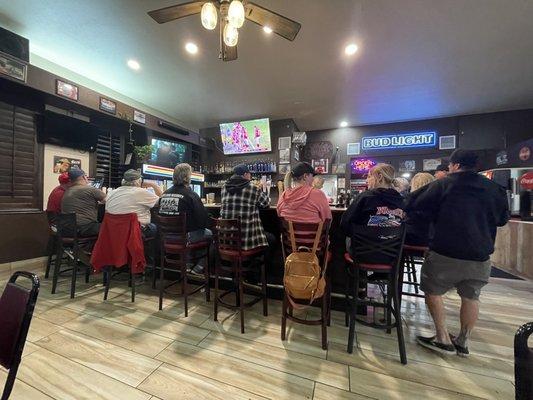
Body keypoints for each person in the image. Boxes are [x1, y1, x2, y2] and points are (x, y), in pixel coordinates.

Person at [405, 149, 509, 357]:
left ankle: (442, 338)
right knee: (471, 296)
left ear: (455, 165)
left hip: (446, 250)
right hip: (479, 254)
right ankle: (462, 340)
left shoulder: (443, 184)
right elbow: (502, 220)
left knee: (433, 291)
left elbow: (411, 203)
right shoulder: (494, 189)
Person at [159, 163, 211, 273]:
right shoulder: (191, 195)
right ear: (187, 177)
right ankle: (198, 268)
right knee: (211, 234)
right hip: (185, 238)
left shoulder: (164, 195)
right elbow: (202, 220)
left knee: (189, 231)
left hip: (166, 237)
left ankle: (187, 264)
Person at [221, 163, 274, 250]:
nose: (251, 177)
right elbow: (266, 203)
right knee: (271, 239)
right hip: (246, 239)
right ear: (245, 174)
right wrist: (261, 190)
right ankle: (260, 262)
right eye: (250, 174)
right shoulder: (253, 188)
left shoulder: (224, 188)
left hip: (227, 238)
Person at [341, 163, 404, 233]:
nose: (366, 180)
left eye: (369, 176)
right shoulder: (402, 200)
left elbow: (345, 223)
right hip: (393, 243)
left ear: (379, 177)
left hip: (364, 243)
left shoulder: (365, 197)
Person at [105, 169, 162, 239]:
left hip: (113, 232)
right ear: (139, 181)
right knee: (157, 227)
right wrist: (154, 185)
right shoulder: (140, 192)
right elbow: (162, 202)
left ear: (123, 181)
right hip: (134, 232)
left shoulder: (111, 193)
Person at [61, 167, 106, 237]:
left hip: (67, 229)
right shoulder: (90, 189)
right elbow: (108, 201)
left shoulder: (67, 191)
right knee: (109, 227)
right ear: (84, 177)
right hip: (84, 228)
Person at [404, 172, 435, 246]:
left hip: (415, 241)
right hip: (434, 242)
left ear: (414, 185)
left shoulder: (412, 201)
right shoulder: (438, 201)